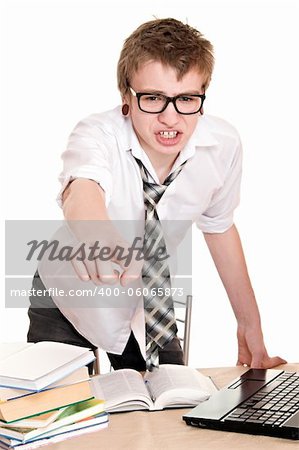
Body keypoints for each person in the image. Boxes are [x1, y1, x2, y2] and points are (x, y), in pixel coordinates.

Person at [27, 17, 286, 372]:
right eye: (153, 98)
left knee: (169, 404)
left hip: (146, 304)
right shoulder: (97, 133)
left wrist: (249, 324)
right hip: (66, 294)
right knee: (63, 414)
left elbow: (219, 228)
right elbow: (81, 189)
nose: (170, 118)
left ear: (202, 96)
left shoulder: (223, 146)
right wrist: (100, 239)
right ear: (127, 97)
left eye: (186, 99)